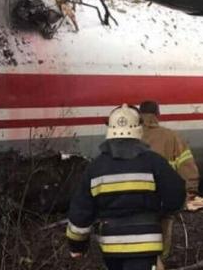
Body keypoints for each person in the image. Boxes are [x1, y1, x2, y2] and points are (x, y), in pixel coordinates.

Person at [66, 104, 185, 270]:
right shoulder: (153, 161)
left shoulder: (95, 167)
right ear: (138, 128)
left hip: (111, 248)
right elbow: (176, 195)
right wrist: (159, 212)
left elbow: (80, 212)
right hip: (146, 245)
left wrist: (77, 246)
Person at [138, 100, 200, 270]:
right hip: (163, 200)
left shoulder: (131, 138)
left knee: (139, 236)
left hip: (136, 201)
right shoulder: (171, 136)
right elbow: (187, 166)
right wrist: (189, 192)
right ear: (157, 114)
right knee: (163, 235)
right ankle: (159, 262)